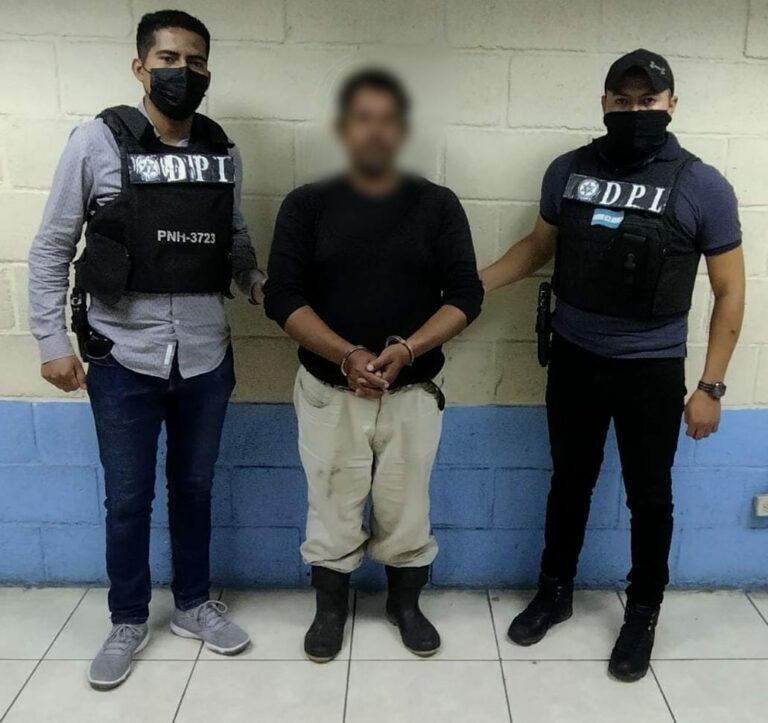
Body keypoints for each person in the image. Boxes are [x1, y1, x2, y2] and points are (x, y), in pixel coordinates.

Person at [480, 49, 745, 682]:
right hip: (574, 358)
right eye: (622, 101)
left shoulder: (702, 184)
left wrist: (710, 386)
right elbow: (538, 247)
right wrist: (469, 287)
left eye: (647, 101)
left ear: (671, 104)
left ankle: (643, 613)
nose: (634, 111)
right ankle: (555, 591)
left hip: (651, 369)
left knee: (650, 497)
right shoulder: (568, 170)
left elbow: (731, 290)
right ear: (604, 103)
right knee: (569, 482)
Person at [27, 10, 264, 690]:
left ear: (208, 71)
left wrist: (255, 281)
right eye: (168, 58)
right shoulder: (96, 141)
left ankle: (192, 605)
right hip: (121, 355)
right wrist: (50, 340)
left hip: (205, 356)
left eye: (195, 61)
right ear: (140, 67)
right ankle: (128, 618)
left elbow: (234, 239)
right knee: (128, 498)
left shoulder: (222, 150)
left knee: (194, 488)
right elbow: (51, 247)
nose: (181, 72)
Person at [264, 68, 483, 662]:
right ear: (343, 128)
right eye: (364, 118)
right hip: (328, 389)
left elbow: (466, 295)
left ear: (403, 130)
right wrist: (346, 354)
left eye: (389, 119)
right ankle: (330, 609)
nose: (376, 130)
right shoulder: (307, 206)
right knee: (331, 502)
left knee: (407, 505)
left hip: (413, 390)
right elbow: (282, 296)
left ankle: (404, 605)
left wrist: (408, 348)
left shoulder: (437, 205)